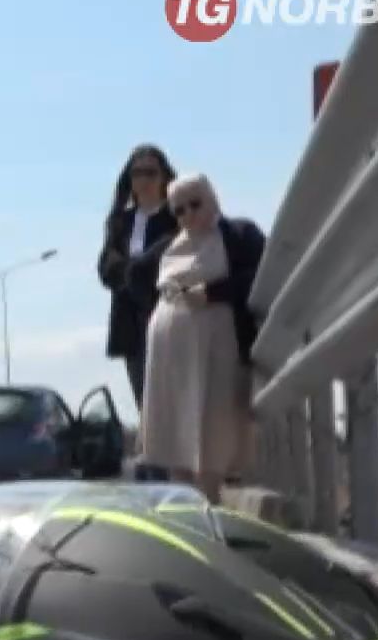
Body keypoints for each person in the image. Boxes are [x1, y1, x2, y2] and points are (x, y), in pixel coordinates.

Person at [132, 173, 265, 503]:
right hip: (170, 356)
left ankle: (209, 506)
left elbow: (263, 275)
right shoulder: (168, 247)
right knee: (175, 438)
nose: (189, 215)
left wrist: (212, 293)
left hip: (217, 353)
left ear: (212, 199)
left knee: (213, 431)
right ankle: (185, 512)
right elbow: (133, 276)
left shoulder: (239, 234)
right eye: (179, 210)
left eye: (195, 204)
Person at [97, 144, 179, 407]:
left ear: (164, 177)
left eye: (150, 173)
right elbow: (106, 266)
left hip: (168, 315)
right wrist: (133, 272)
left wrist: (140, 269)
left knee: (171, 398)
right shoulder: (120, 222)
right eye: (137, 173)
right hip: (130, 322)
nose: (143, 180)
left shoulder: (177, 216)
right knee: (144, 400)